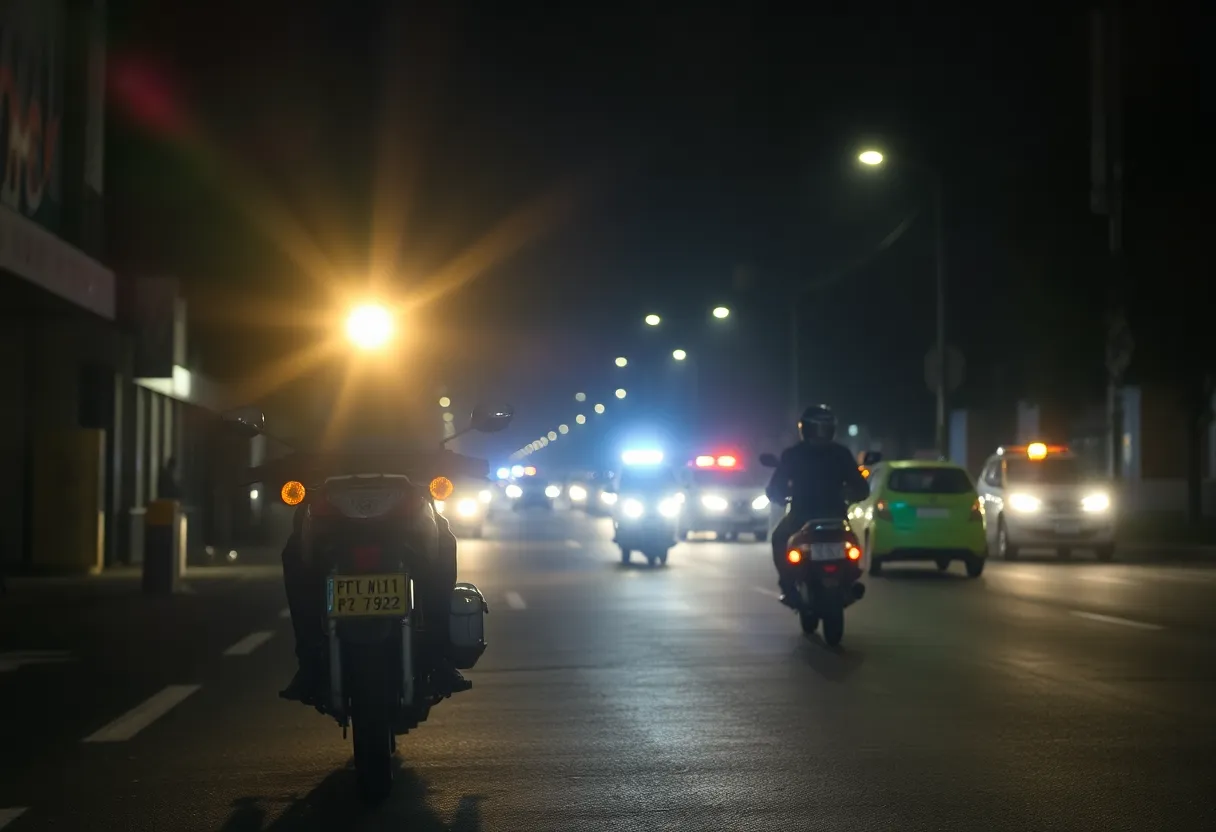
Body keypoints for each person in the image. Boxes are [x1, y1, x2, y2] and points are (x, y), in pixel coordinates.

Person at [277, 383, 472, 705]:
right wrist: (282, 465)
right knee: (295, 552)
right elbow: (301, 446)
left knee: (443, 543)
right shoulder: (326, 400)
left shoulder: (412, 400)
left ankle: (438, 654)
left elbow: (436, 445)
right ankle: (310, 658)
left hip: (403, 502)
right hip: (333, 504)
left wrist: (456, 462)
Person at [765, 404, 870, 607]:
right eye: (818, 428)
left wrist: (780, 495)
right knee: (852, 543)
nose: (821, 434)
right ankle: (794, 585)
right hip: (833, 516)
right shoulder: (840, 453)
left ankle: (788, 586)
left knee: (779, 539)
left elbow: (775, 487)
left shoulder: (794, 454)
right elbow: (861, 487)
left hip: (804, 516)